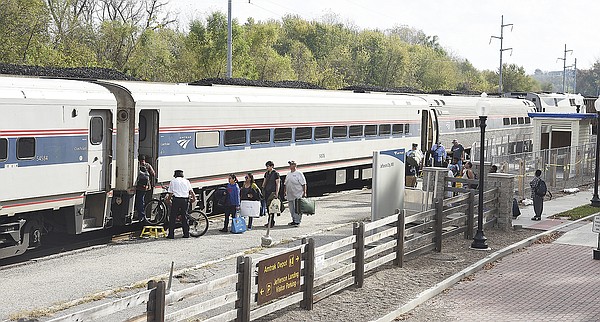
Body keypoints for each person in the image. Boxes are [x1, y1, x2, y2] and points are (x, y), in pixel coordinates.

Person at [165, 170, 196, 239]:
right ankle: (186, 234)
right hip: (185, 200)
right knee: (184, 216)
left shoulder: (173, 181)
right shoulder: (186, 181)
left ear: (175, 175)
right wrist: (194, 199)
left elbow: (170, 193)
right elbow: (191, 191)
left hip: (177, 200)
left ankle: (171, 235)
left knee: (172, 217)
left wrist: (168, 200)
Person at [284, 161, 307, 227]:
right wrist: (285, 192)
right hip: (290, 194)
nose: (290, 166)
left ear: (294, 165)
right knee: (291, 209)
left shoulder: (299, 173)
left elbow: (303, 184)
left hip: (297, 194)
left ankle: (298, 221)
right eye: (290, 164)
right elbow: (285, 184)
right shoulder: (288, 174)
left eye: (291, 164)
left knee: (297, 208)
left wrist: (304, 192)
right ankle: (294, 220)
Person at [262, 161, 280, 228]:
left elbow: (277, 183)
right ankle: (270, 221)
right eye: (266, 166)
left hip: (272, 192)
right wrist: (263, 188)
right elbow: (264, 181)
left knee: (271, 207)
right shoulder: (266, 173)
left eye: (268, 166)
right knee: (268, 207)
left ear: (272, 166)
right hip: (267, 192)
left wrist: (276, 193)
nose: (267, 167)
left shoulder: (275, 174)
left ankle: (271, 222)